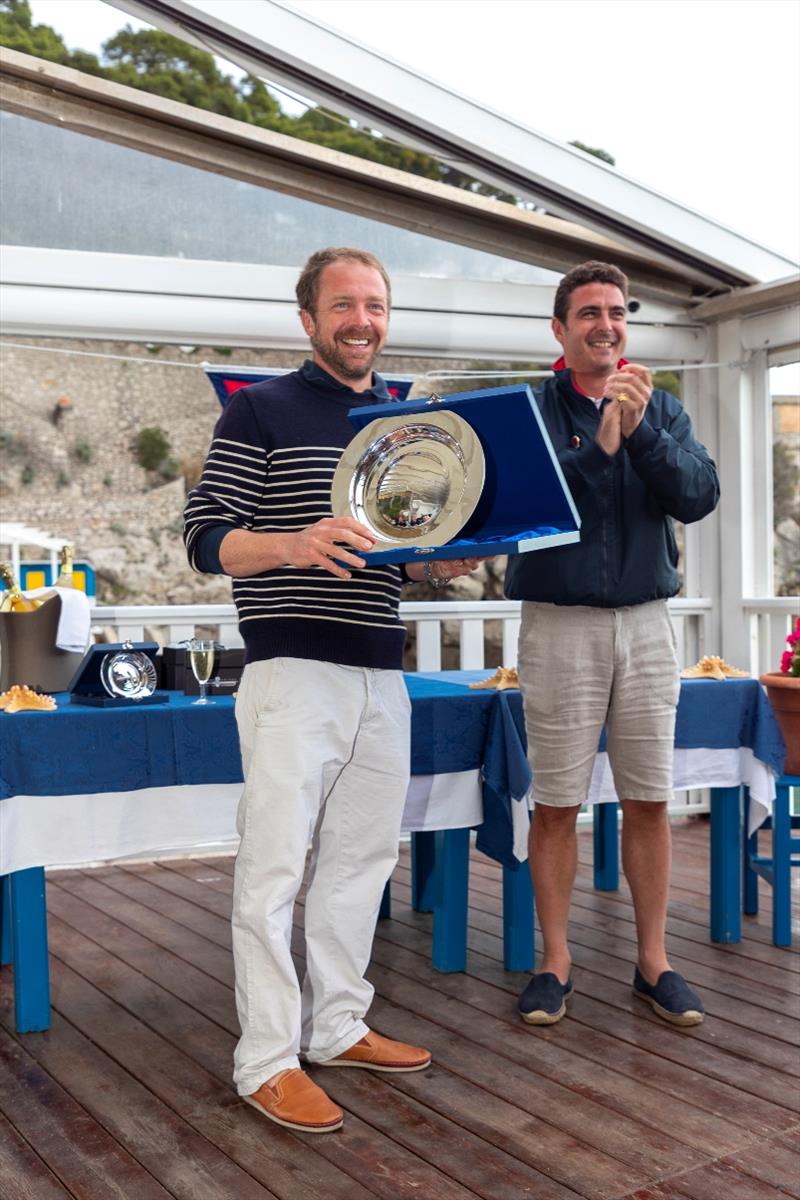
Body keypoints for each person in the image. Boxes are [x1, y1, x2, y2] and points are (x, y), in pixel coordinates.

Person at [184, 247, 480, 1134]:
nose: (363, 321)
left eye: (377, 306)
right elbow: (207, 538)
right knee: (274, 874)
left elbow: (392, 553)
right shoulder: (258, 410)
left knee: (361, 864)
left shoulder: (404, 425)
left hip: (380, 674)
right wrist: (294, 542)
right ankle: (265, 1060)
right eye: (345, 305)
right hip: (291, 675)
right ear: (308, 318)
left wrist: (439, 560)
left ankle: (337, 1024)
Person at [504, 260, 720, 1028]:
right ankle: (555, 962)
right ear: (560, 330)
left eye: (617, 312)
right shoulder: (531, 409)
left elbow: (697, 496)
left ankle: (653, 961)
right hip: (559, 623)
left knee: (651, 800)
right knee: (558, 803)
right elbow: (530, 501)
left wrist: (641, 434)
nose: (606, 324)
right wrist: (601, 444)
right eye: (589, 312)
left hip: (647, 625)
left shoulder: (660, 407)